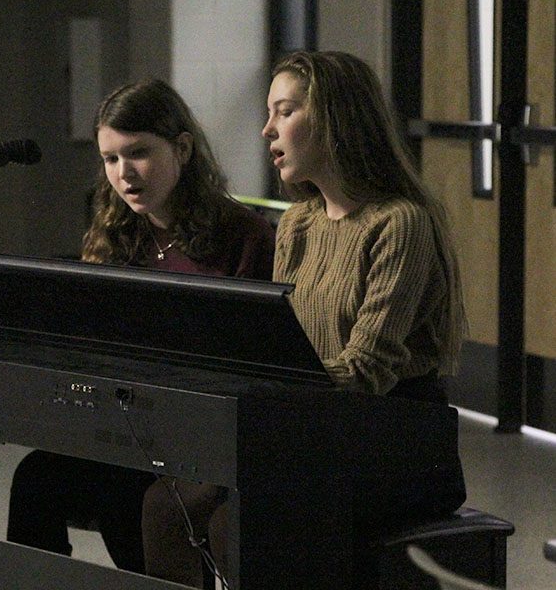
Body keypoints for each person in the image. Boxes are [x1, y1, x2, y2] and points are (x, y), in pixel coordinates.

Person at [140, 51, 468, 587]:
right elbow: (282, 342)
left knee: (234, 523)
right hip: (313, 427)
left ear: (337, 121)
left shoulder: (399, 222)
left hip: (394, 438)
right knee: (165, 503)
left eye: (285, 111)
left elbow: (367, 371)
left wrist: (269, 395)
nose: (268, 129)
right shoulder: (299, 221)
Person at [6, 78, 276, 574]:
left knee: (132, 501)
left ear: (183, 148)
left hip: (202, 439)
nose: (123, 173)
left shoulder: (243, 235)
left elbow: (253, 363)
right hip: (131, 428)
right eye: (110, 159)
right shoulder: (114, 232)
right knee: (36, 479)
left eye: (138, 153)